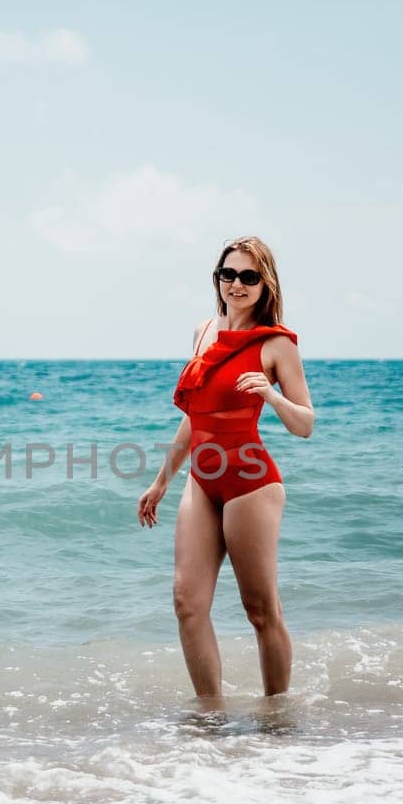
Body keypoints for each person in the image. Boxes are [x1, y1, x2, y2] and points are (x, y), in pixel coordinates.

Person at [137, 236, 315, 703]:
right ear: (217, 279)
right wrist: (160, 482)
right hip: (202, 480)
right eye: (228, 274)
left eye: (249, 276)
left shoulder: (277, 344)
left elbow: (306, 425)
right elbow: (193, 417)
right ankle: (209, 720)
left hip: (251, 483)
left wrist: (272, 397)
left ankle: (277, 719)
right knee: (187, 603)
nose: (236, 284)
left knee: (260, 610)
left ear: (265, 284)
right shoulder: (203, 331)